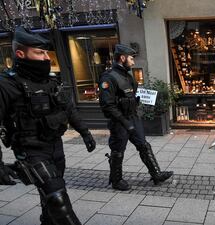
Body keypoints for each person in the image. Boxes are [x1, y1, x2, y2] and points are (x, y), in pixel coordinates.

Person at [0, 27, 96, 225]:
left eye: (46, 53)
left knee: (51, 193)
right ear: (20, 53)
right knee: (58, 199)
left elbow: (68, 108)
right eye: (39, 52)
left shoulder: (50, 82)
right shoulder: (7, 85)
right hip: (31, 152)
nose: (46, 58)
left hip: (55, 147)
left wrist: (85, 132)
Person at [99, 44, 173, 190]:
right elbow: (107, 106)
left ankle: (156, 174)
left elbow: (132, 95)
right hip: (119, 121)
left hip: (133, 117)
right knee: (118, 151)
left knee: (144, 145)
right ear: (122, 58)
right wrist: (124, 122)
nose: (133, 62)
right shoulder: (109, 77)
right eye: (131, 58)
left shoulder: (128, 75)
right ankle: (116, 180)